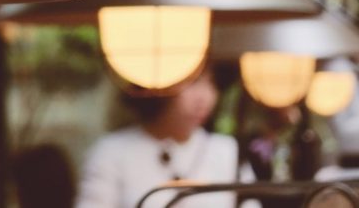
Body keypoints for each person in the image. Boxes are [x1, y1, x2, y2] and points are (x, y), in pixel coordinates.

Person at [76, 67, 257, 208]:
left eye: (210, 83)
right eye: (191, 83)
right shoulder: (112, 152)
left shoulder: (226, 150)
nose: (204, 98)